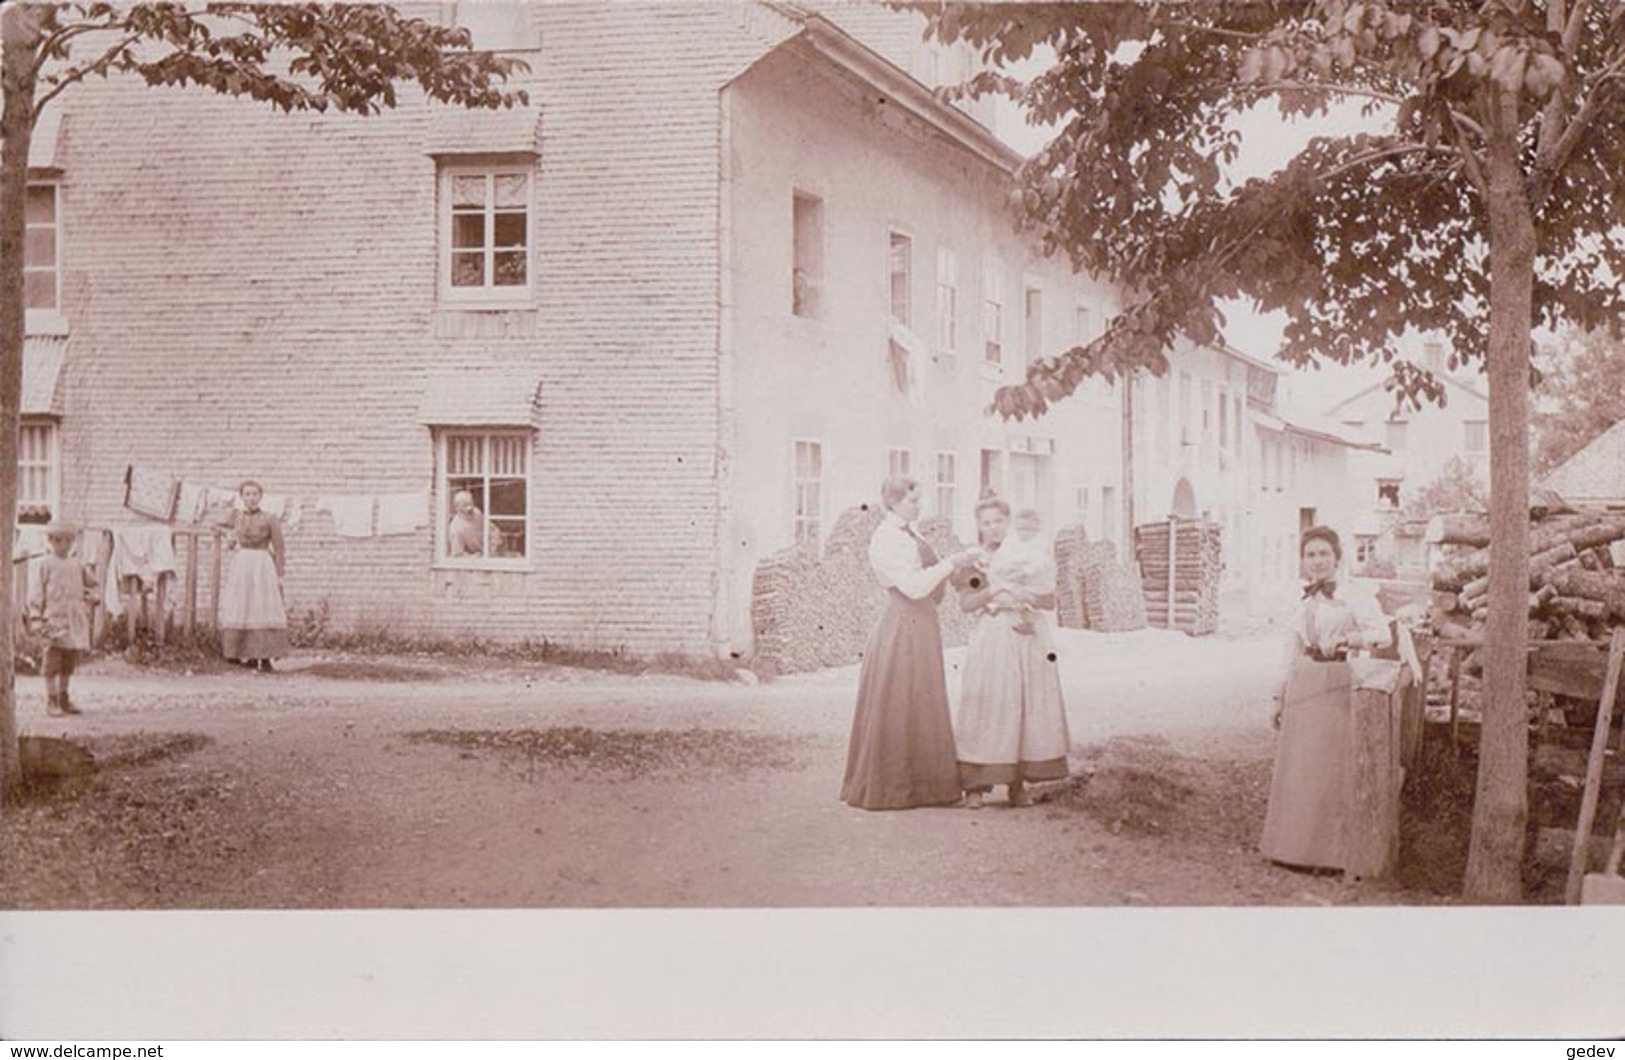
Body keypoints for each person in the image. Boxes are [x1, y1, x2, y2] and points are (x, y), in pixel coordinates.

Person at [841, 475, 980, 810]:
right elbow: (914, 587)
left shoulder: (910, 532)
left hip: (922, 623)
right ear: (892, 502)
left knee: (923, 699)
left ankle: (929, 787)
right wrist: (952, 563)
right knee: (902, 700)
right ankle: (895, 788)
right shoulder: (886, 539)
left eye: (919, 499)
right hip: (903, 624)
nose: (919, 505)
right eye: (911, 500)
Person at [1260, 525, 1393, 872]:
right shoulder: (1300, 598)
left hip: (1337, 681)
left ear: (1337, 558)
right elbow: (1289, 650)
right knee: (1301, 767)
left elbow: (1380, 633)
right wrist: (1278, 696)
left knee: (1330, 769)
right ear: (1302, 560)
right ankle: (1291, 850)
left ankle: (1329, 856)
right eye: (1310, 554)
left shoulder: (1355, 595)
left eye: (1324, 554)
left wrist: (1350, 639)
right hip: (1305, 681)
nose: (1317, 561)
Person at [953, 494, 1072, 809]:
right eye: (986, 523)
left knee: (1025, 706)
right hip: (994, 633)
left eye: (999, 521)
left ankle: (1017, 784)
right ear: (979, 527)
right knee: (988, 702)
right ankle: (976, 785)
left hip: (1029, 632)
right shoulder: (976, 560)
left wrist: (1026, 592)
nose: (994, 528)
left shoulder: (1029, 554)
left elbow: (1049, 600)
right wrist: (994, 588)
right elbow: (967, 603)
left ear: (1010, 522)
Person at [27, 522, 98, 716]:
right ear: (50, 541)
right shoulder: (45, 563)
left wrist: (90, 594)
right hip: (52, 621)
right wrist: (36, 617)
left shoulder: (76, 564)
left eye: (67, 540)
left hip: (72, 622)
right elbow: (37, 592)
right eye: (57, 540)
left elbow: (89, 584)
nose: (63, 545)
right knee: (51, 663)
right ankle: (51, 700)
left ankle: (63, 698)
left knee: (68, 662)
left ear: (72, 542)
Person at [220, 480, 290, 672]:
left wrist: (280, 573)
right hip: (242, 565)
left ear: (260, 496)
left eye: (254, 494)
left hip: (262, 564)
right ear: (241, 497)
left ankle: (265, 657)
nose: (251, 498)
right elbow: (225, 536)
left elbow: (279, 547)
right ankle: (245, 654)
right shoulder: (237, 517)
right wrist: (229, 538)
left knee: (262, 606)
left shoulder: (270, 518)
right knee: (243, 605)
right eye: (247, 494)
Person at [447, 490, 486, 557]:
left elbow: (491, 530)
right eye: (465, 505)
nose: (469, 508)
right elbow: (458, 554)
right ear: (457, 507)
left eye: (470, 503)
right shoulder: (456, 527)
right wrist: (473, 556)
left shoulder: (477, 513)